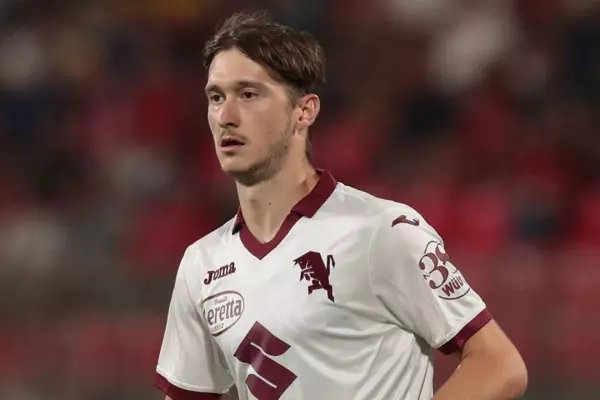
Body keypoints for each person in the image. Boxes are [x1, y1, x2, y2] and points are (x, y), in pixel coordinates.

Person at [154, 10, 527, 400]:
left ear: (304, 111)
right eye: (216, 97)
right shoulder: (202, 264)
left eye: (249, 95)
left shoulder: (381, 231)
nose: (226, 116)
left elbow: (499, 365)